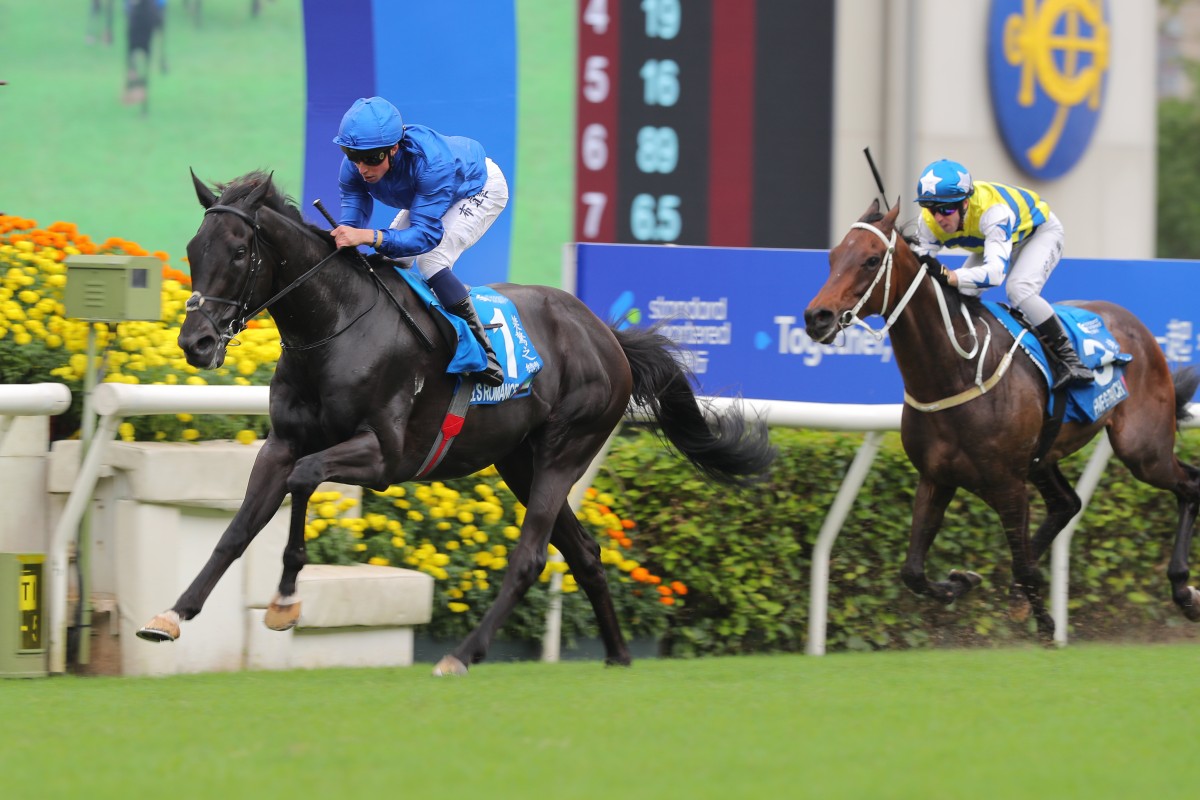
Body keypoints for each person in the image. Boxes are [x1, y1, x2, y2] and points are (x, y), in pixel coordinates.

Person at [330, 96, 507, 387]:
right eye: (353, 155)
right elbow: (354, 209)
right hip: (438, 189)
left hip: (479, 186)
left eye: (372, 158)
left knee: (431, 260)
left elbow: (425, 236)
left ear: (394, 148)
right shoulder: (357, 164)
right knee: (392, 261)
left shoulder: (431, 164)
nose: (362, 167)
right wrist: (346, 234)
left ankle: (483, 352)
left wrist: (367, 237)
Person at [911, 158, 1092, 389]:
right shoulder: (928, 222)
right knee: (959, 293)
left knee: (1019, 289)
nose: (938, 218)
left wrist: (951, 275)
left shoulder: (994, 212)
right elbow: (918, 266)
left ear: (965, 203)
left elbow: (995, 274)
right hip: (989, 241)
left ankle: (1071, 361)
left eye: (946, 209)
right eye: (930, 208)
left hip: (1037, 234)